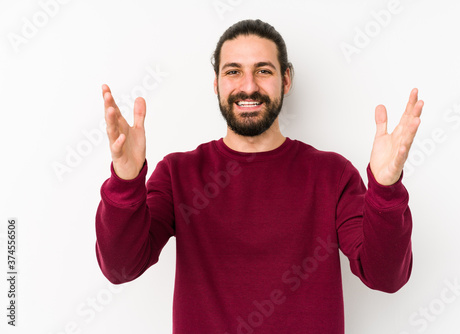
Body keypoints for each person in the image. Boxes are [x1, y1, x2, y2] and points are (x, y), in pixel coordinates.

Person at [95, 19, 423, 334]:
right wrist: (126, 181)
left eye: (263, 71)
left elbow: (386, 276)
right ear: (216, 83)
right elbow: (122, 267)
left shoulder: (332, 175)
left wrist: (385, 190)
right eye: (233, 71)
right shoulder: (177, 174)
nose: (248, 86)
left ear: (286, 80)